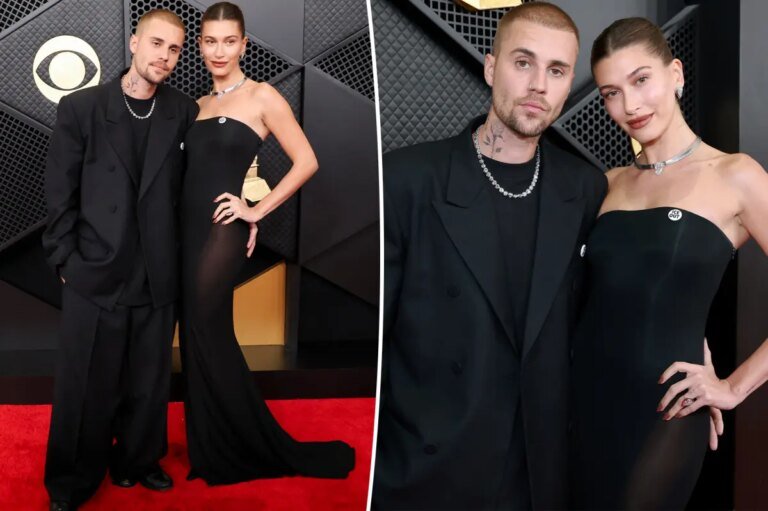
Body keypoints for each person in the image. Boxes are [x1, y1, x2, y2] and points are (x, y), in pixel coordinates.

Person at [372, 3, 607, 509]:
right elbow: (374, 338)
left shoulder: (586, 188)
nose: (539, 84)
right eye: (523, 63)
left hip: (540, 468)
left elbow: (606, 309)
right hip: (431, 465)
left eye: (557, 70)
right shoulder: (409, 179)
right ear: (490, 66)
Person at [571, 17, 768, 509]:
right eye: (611, 92)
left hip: (664, 413)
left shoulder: (735, 174)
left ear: (675, 73)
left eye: (641, 80)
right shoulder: (607, 183)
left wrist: (732, 387)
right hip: (580, 401)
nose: (630, 105)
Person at [178, 2, 355, 485]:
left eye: (228, 41)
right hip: (186, 231)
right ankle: (211, 448)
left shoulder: (262, 96)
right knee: (195, 337)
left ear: (244, 44)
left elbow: (306, 161)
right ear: (200, 45)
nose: (219, 50)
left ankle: (248, 446)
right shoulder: (196, 105)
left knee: (205, 329)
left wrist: (255, 210)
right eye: (210, 41)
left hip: (223, 229)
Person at [41, 9, 198, 511]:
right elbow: (60, 194)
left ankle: (136, 462)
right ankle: (70, 481)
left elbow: (194, 189)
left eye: (174, 49)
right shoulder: (82, 108)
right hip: (94, 269)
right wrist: (65, 259)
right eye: (156, 43)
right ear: (133, 42)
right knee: (86, 384)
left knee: (148, 381)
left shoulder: (183, 111)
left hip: (156, 271)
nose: (165, 56)